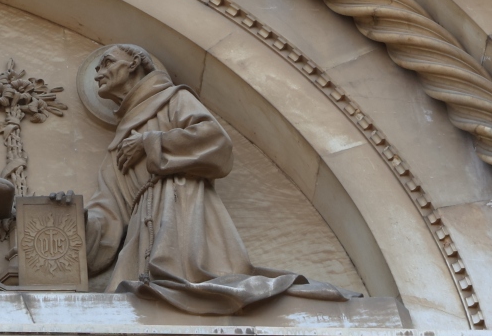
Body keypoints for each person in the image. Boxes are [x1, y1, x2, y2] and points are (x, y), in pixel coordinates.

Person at [80, 43, 352, 314]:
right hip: (143, 241)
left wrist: (151, 143)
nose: (98, 73)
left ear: (134, 64)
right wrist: (75, 222)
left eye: (107, 62)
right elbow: (108, 216)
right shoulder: (119, 148)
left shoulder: (174, 100)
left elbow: (216, 142)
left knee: (204, 289)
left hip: (185, 213)